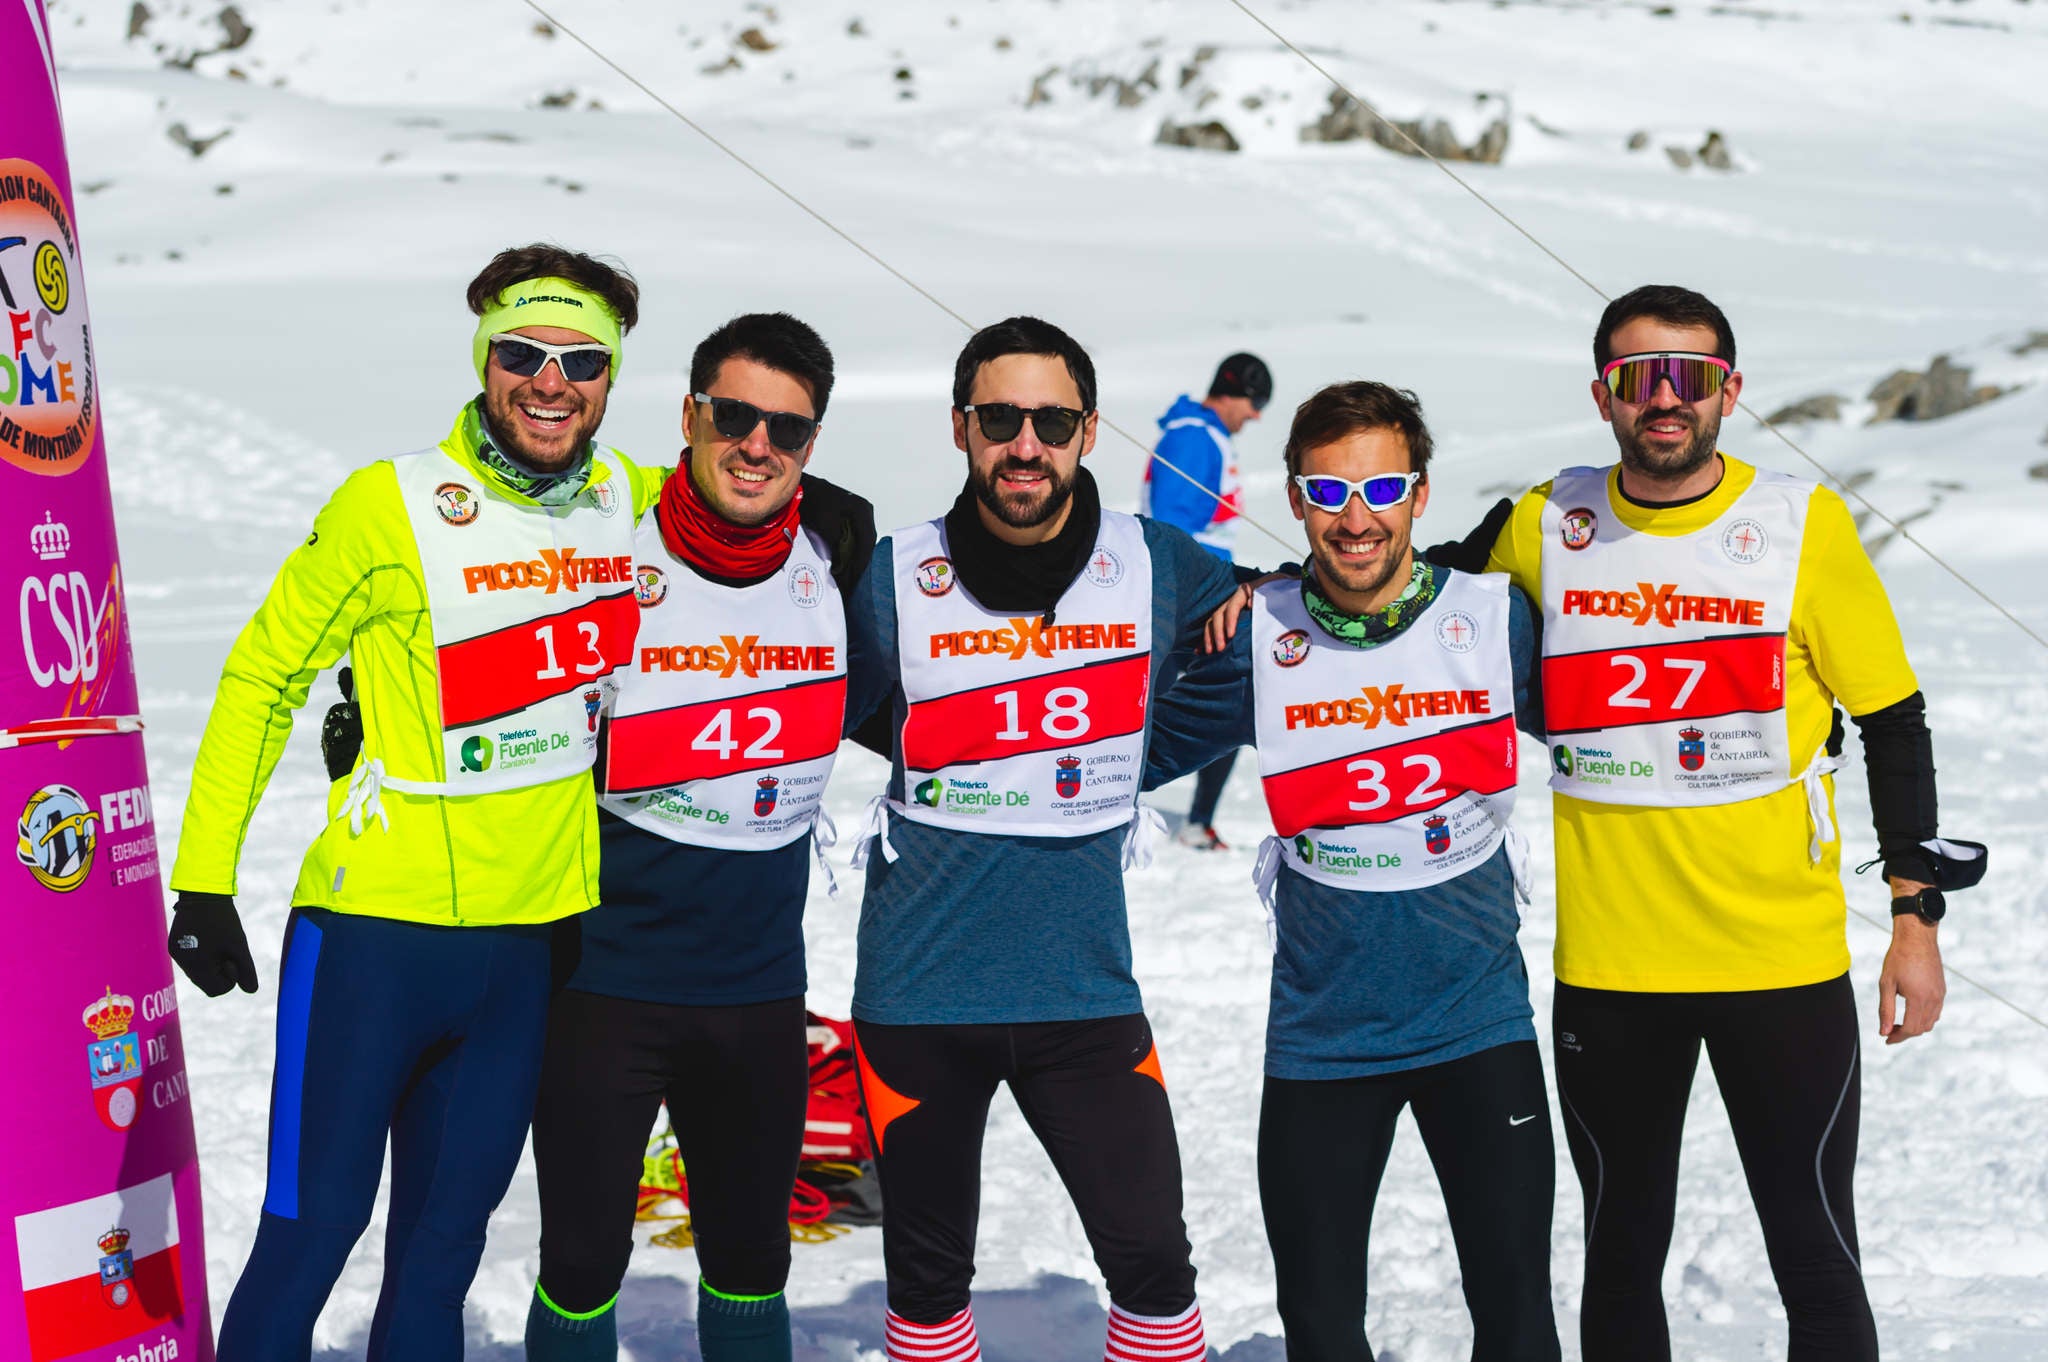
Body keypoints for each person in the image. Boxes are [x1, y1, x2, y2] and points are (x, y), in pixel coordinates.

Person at [163, 244, 665, 1357]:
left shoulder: (632, 499)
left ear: (610, 378)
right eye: (523, 354)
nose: (550, 381)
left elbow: (754, 521)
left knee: (443, 1250)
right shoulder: (387, 505)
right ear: (485, 362)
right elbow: (261, 678)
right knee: (312, 1232)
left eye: (582, 360)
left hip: (526, 948)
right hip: (373, 940)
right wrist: (205, 877)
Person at [1478, 285, 1952, 1361]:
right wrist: (1270, 594)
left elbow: (1892, 720)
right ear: (1600, 392)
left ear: (1726, 391)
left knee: (1816, 1257)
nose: (1661, 398)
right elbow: (1409, 600)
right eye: (1635, 376)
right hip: (1612, 968)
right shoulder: (1542, 520)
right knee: (1618, 1259)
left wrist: (1913, 922)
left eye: (1685, 376)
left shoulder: (1797, 521)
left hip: (1776, 963)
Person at [841, 316, 1240, 1362]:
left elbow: (1265, 637)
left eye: (1050, 420)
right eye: (1001, 419)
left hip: (1084, 998)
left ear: (1088, 432)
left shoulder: (1154, 563)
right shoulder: (892, 577)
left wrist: (1129, 753)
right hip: (919, 998)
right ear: (962, 430)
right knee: (926, 1288)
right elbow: (821, 695)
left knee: (1154, 1268)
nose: (1025, 444)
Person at [1147, 382, 1560, 1361]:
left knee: (1514, 1315)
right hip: (1321, 1044)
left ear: (1419, 495)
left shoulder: (1492, 621)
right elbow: (1128, 747)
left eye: (1379, 486)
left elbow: (1618, 720)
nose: (1355, 516)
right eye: (1326, 493)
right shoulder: (1258, 634)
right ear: (1293, 501)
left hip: (1477, 1026)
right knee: (1323, 1328)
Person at [523, 313, 874, 1362]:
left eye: (788, 428)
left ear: (811, 444)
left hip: (755, 994)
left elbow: (980, 639)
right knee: (582, 1259)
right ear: (688, 414)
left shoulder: (837, 550)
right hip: (602, 988)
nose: (756, 444)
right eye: (733, 415)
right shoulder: (600, 541)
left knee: (750, 1260)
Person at [1141, 351, 1273, 851]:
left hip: (1209, 589)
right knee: (1219, 697)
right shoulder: (1194, 438)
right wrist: (1197, 590)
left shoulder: (1205, 433)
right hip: (1191, 597)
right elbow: (1174, 527)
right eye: (1255, 402)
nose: (1256, 415)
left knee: (1225, 696)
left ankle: (1197, 818)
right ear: (1233, 392)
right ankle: (1118, 799)